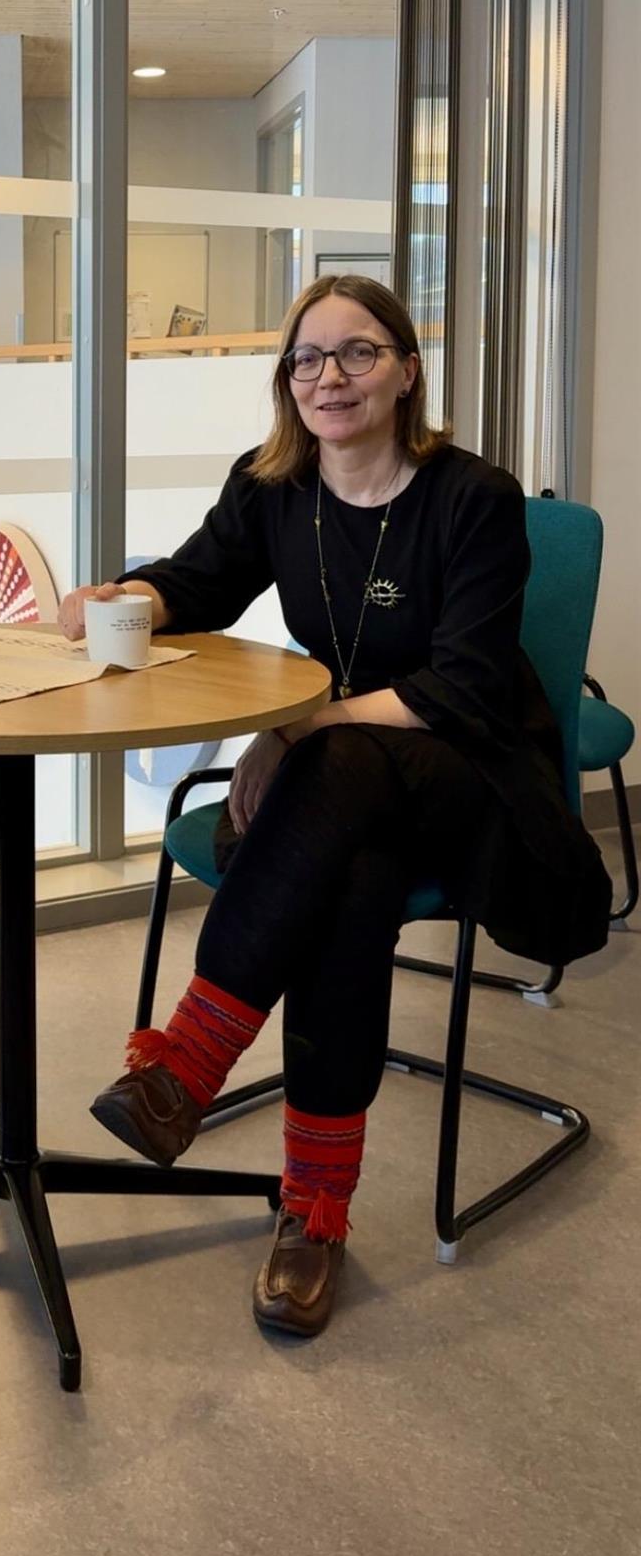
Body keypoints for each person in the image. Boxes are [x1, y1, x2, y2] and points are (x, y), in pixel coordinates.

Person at [59, 275, 610, 1338]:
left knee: (342, 766)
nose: (329, 377)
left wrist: (299, 729)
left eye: (359, 352)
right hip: (340, 799)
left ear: (407, 372)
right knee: (350, 879)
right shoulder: (274, 483)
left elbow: (465, 687)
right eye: (307, 358)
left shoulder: (473, 497)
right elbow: (198, 581)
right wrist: (127, 597)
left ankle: (187, 1063)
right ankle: (313, 1212)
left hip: (476, 781)